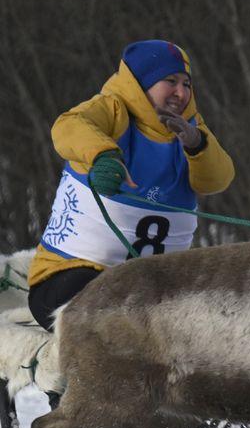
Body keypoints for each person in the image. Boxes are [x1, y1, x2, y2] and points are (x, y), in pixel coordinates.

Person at [26, 39, 234, 330]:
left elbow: (218, 179)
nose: (181, 92)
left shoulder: (187, 128)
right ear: (141, 84)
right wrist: (103, 155)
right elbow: (68, 126)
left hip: (153, 288)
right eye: (170, 81)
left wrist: (196, 144)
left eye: (187, 84)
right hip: (69, 277)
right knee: (110, 299)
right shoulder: (113, 110)